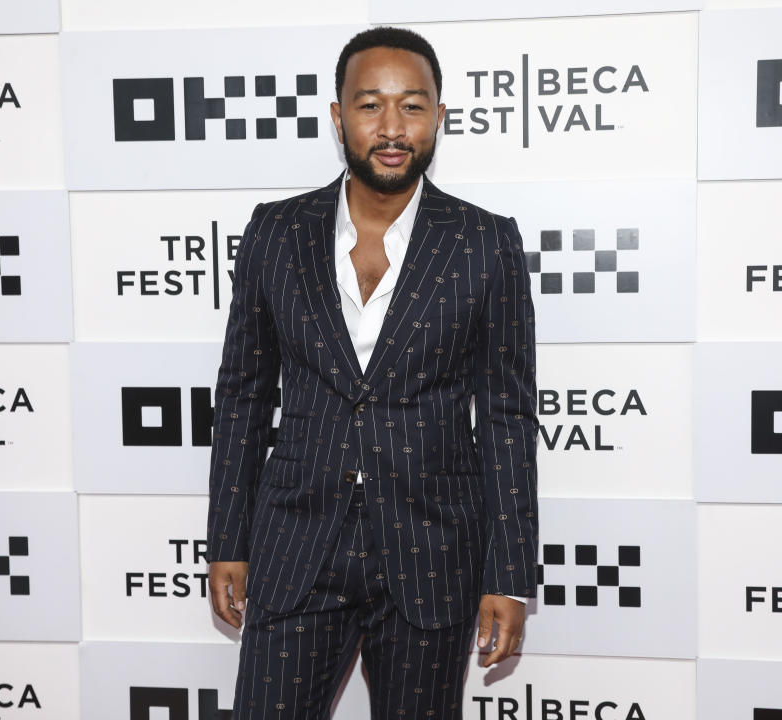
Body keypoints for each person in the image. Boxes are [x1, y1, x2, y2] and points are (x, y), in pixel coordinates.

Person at [205, 26, 539, 720]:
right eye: (370, 105)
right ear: (338, 117)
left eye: (413, 106)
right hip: (297, 545)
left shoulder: (485, 242)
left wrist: (509, 574)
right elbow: (242, 395)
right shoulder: (275, 231)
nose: (392, 127)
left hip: (431, 553)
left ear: (439, 117)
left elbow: (506, 415)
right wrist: (227, 541)